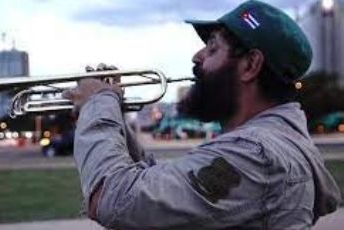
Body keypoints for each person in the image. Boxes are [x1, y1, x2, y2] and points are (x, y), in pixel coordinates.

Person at [62, 1, 341, 229]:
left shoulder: (256, 154)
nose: (197, 57)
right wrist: (112, 113)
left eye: (213, 48)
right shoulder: (265, 146)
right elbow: (159, 185)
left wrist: (97, 102)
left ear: (250, 65)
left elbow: (115, 200)